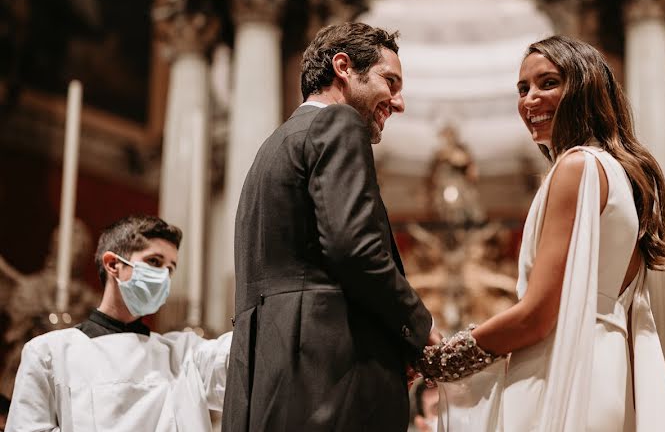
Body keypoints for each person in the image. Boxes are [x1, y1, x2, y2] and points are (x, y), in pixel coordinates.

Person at [418, 35, 665, 431]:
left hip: (564, 366)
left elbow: (537, 316)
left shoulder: (576, 167)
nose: (530, 99)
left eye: (548, 83)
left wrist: (444, 358)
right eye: (523, 88)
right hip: (605, 369)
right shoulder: (620, 174)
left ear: (584, 86)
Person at [222, 22, 439, 432]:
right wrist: (417, 328)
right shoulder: (337, 124)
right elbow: (354, 249)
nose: (399, 102)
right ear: (343, 67)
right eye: (389, 82)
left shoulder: (273, 147)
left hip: (266, 377)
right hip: (326, 376)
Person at [5, 215, 232, 432]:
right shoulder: (49, 354)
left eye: (170, 269)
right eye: (154, 261)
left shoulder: (184, 356)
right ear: (113, 264)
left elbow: (240, 357)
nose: (163, 277)